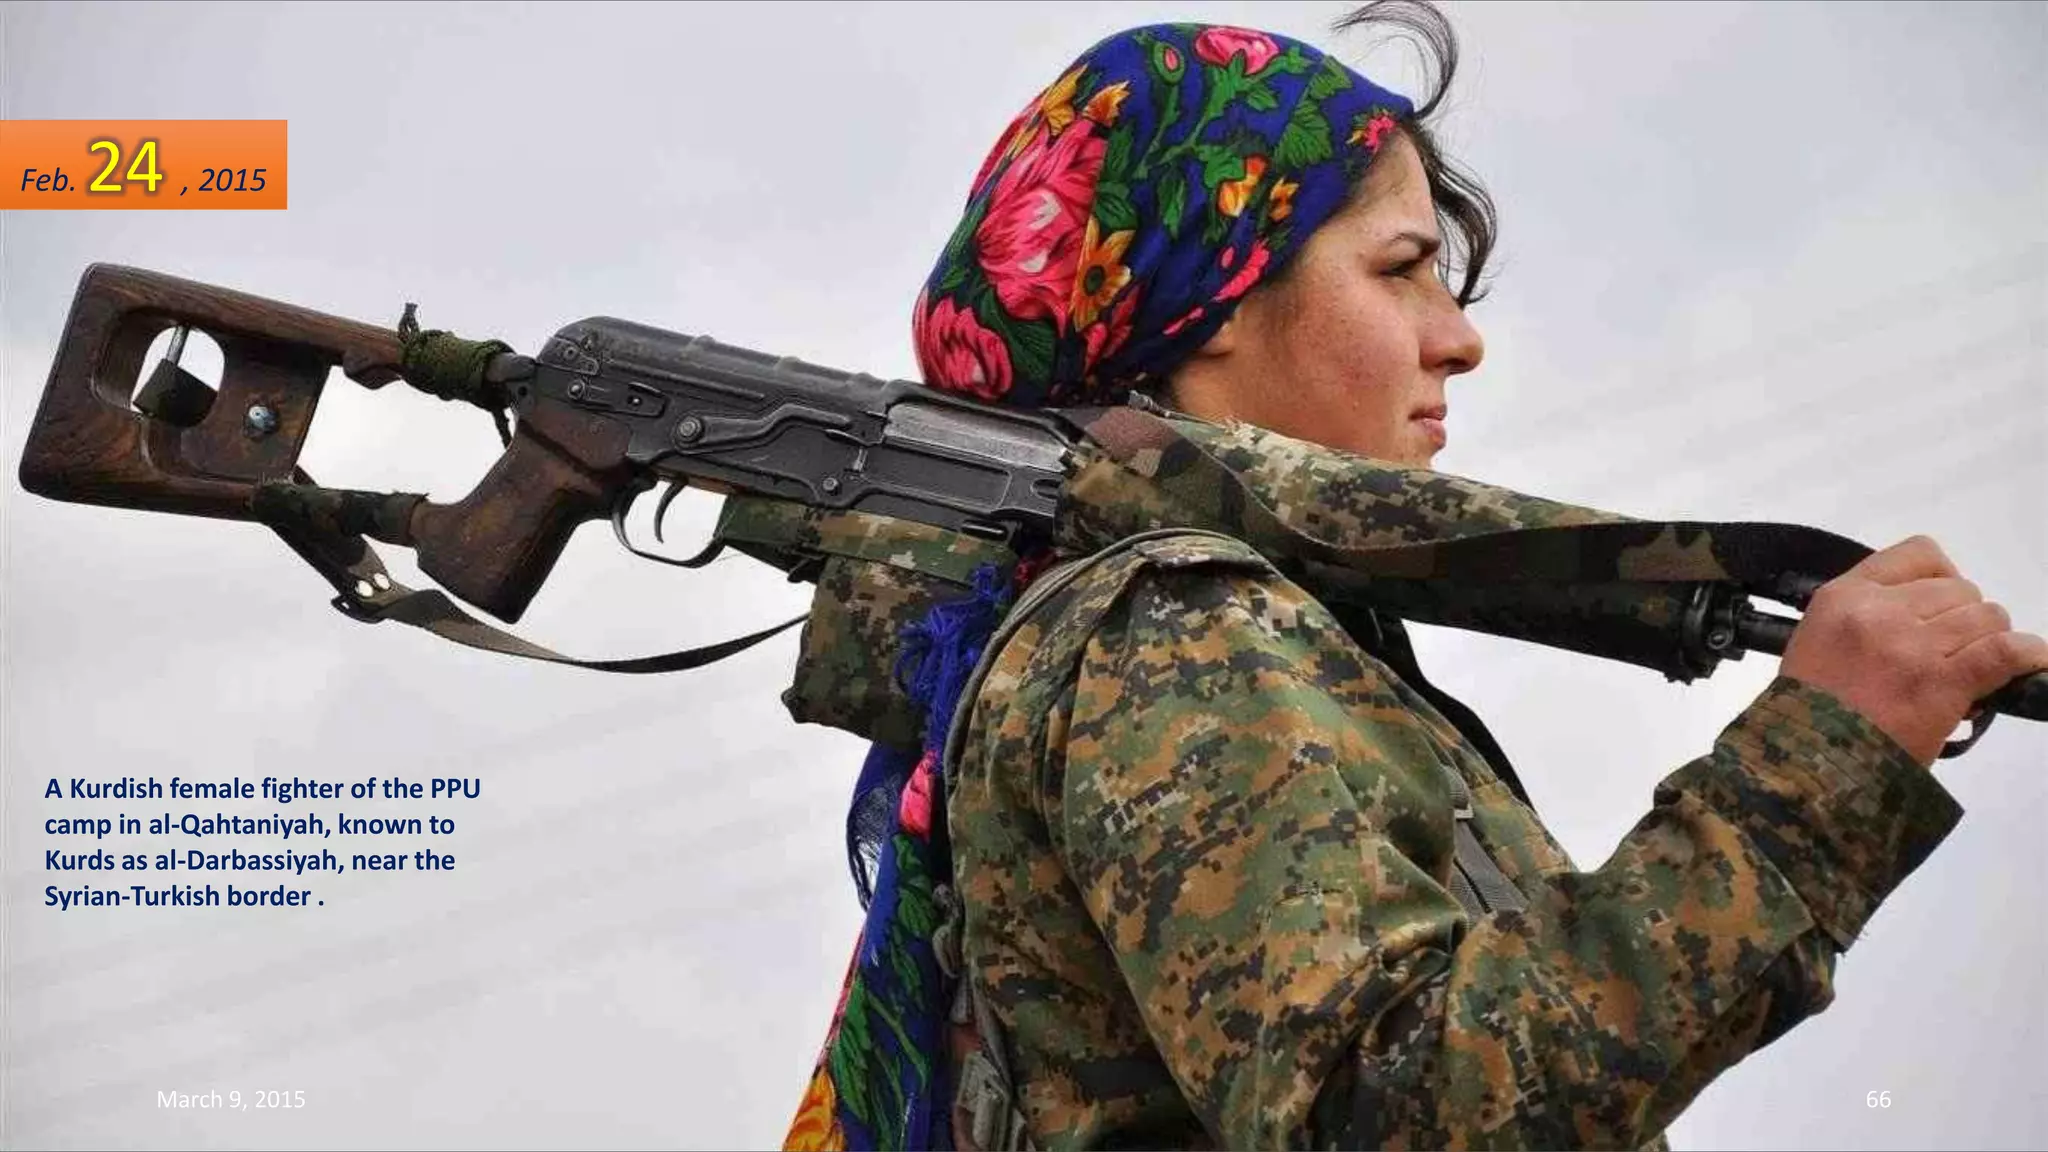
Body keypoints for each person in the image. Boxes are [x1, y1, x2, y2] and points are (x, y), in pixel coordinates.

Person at [787, 4, 2048, 1149]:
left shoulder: (1198, 621)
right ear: (1212, 300)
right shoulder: (1171, 624)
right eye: (1399, 270)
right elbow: (1403, 1112)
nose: (1459, 336)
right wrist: (1816, 767)